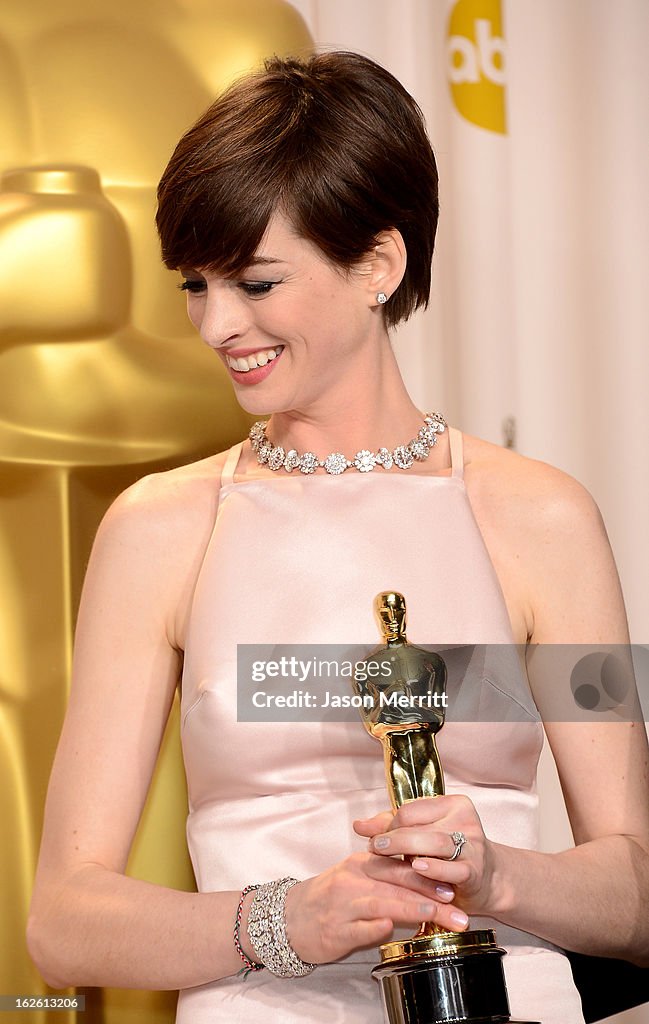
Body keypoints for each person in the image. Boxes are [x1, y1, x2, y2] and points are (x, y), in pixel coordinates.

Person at [27, 51, 649, 1024]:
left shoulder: (544, 519)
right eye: (196, 284)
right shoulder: (158, 529)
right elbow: (62, 918)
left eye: (257, 282)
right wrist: (285, 919)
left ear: (377, 265)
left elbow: (636, 889)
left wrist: (495, 877)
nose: (217, 323)